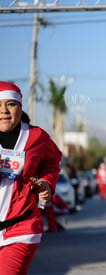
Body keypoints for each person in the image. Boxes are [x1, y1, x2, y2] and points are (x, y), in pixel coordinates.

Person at [0, 81, 62, 274]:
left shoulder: (37, 137)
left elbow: (52, 162)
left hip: (20, 226)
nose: (4, 111)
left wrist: (46, 183)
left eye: (10, 104)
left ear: (20, 106)